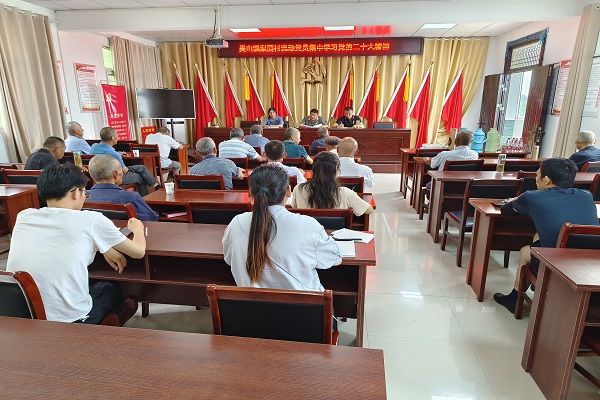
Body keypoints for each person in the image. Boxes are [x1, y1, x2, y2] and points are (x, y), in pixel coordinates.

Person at [6, 164, 146, 324]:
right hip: (71, 320)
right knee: (109, 287)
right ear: (74, 193)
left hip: (23, 315)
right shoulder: (91, 219)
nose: (85, 197)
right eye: (85, 192)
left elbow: (59, 239)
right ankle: (115, 321)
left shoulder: (24, 216)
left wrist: (104, 247)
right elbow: (138, 252)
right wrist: (138, 229)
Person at [493, 158, 599, 313]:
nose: (536, 179)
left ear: (547, 180)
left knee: (525, 252)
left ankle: (513, 300)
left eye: (537, 176)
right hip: (591, 261)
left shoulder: (532, 197)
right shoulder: (586, 195)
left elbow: (506, 210)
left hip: (559, 265)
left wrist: (516, 200)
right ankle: (535, 284)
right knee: (538, 236)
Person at [223, 164, 342, 291]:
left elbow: (229, 259)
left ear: (251, 193)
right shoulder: (308, 225)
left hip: (250, 303)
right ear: (288, 191)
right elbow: (334, 259)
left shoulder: (236, 223)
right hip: (304, 303)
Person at [292, 151, 373, 217]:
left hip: (307, 232)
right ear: (336, 169)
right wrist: (354, 197)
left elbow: (294, 209)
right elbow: (369, 210)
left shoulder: (298, 189)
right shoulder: (346, 193)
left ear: (313, 169)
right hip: (336, 232)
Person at [89, 127, 160, 196]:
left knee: (141, 168)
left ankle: (156, 185)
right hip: (113, 177)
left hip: (98, 175)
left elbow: (104, 153)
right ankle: (145, 197)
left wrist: (117, 154)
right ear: (112, 138)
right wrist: (118, 155)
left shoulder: (94, 146)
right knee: (140, 177)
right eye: (117, 135)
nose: (118, 138)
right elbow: (125, 171)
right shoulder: (115, 154)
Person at [87, 155, 159, 222]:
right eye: (121, 169)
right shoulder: (131, 198)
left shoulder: (83, 197)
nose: (123, 173)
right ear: (115, 174)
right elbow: (151, 219)